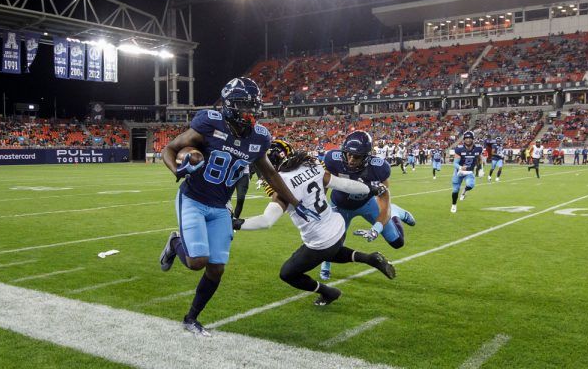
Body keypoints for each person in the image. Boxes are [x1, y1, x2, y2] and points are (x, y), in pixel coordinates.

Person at [157, 77, 321, 337]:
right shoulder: (210, 123)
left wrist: (295, 202)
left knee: (217, 268)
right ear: (230, 105)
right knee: (197, 261)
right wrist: (178, 169)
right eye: (245, 105)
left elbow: (270, 174)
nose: (251, 111)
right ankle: (175, 242)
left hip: (221, 205)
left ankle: (191, 318)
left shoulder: (259, 137)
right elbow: (170, 148)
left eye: (253, 106)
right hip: (194, 199)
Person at [233, 140, 395, 306]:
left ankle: (328, 292)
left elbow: (266, 221)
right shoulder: (311, 167)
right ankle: (370, 258)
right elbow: (343, 184)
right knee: (331, 251)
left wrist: (236, 223)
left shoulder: (282, 186)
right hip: (337, 226)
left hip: (320, 239)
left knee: (288, 273)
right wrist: (371, 188)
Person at [318, 130, 417, 280]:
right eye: (348, 154)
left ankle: (396, 213)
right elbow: (324, 183)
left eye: (356, 156)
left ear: (366, 156)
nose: (350, 160)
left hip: (367, 204)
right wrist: (320, 205)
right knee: (331, 241)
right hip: (339, 206)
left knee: (397, 242)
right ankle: (326, 264)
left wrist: (376, 229)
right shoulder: (333, 159)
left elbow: (384, 202)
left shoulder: (379, 168)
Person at [450, 131, 484, 213]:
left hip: (469, 172)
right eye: (466, 138)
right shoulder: (459, 149)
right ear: (464, 139)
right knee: (455, 190)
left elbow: (479, 159)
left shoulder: (478, 148)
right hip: (459, 172)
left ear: (473, 139)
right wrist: (461, 167)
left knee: (470, 185)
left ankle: (464, 191)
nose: (468, 140)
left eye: (469, 138)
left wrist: (481, 169)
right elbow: (455, 163)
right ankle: (454, 205)